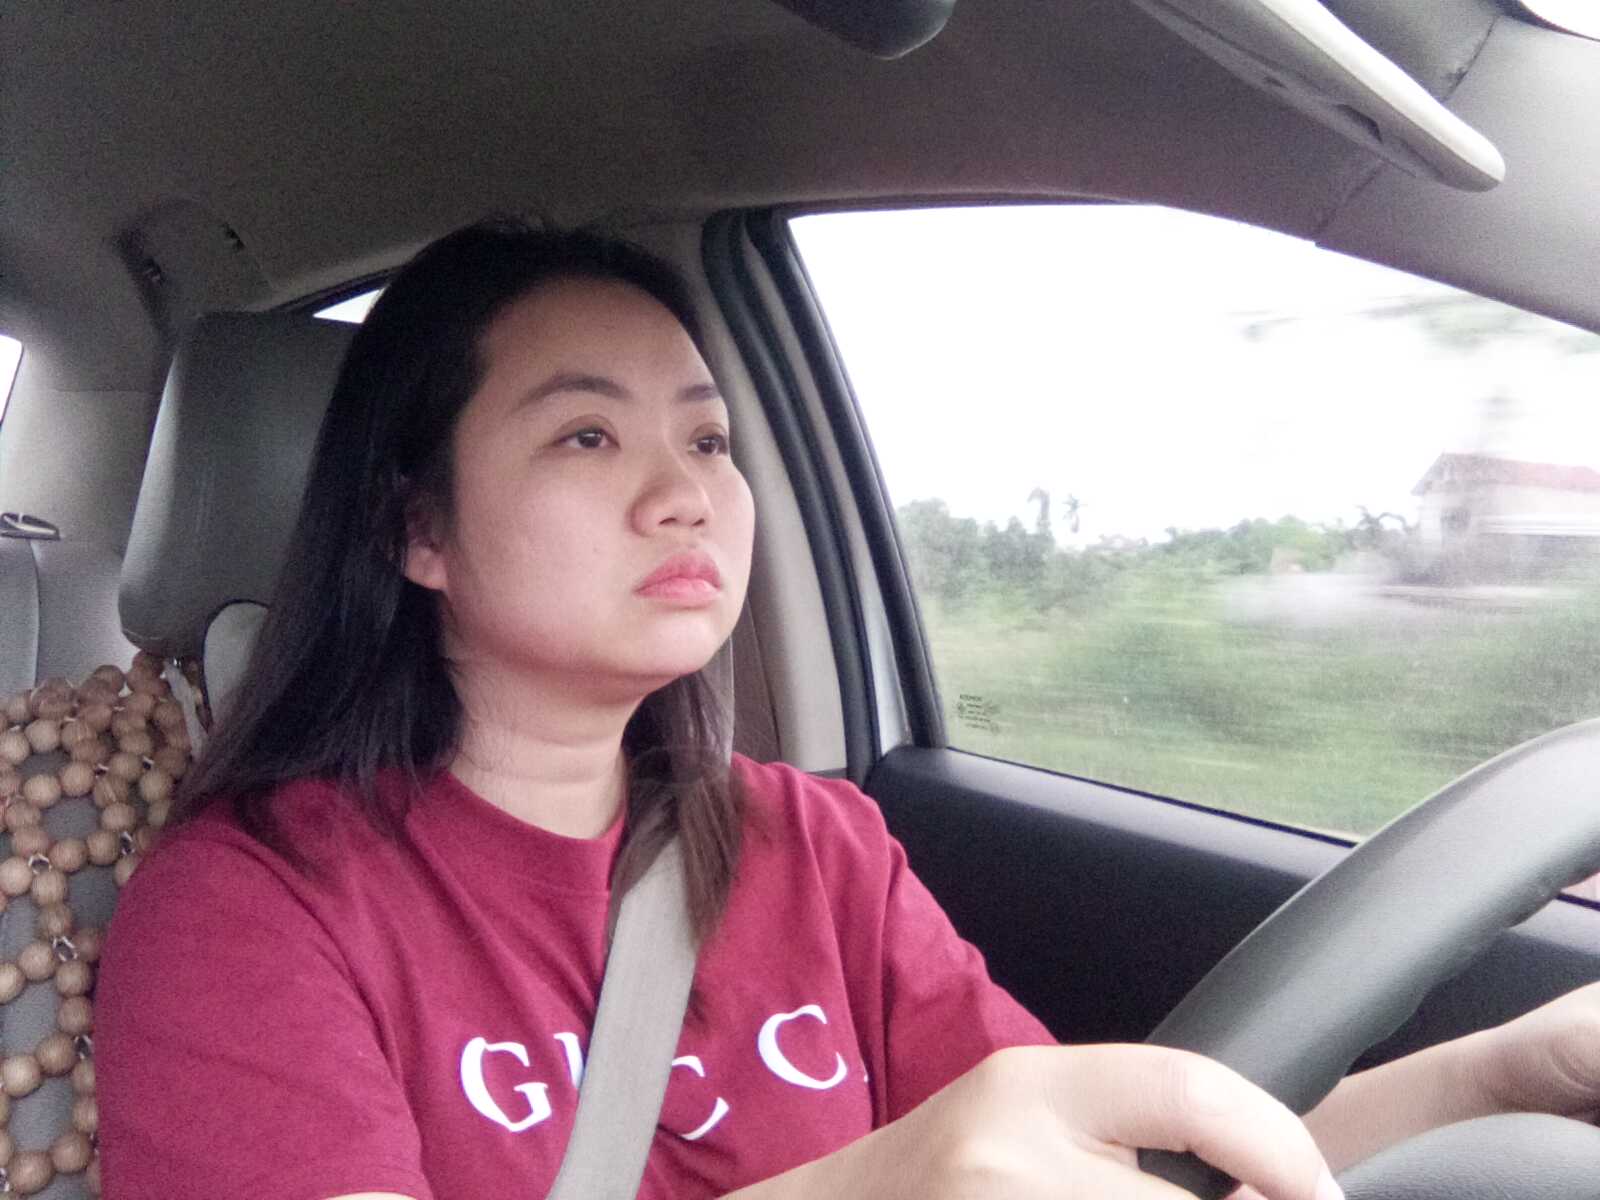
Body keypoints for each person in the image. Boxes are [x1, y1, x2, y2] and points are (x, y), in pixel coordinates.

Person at [96, 219, 1600, 1200]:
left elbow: (1115, 1169)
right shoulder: (249, 907)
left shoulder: (813, 846)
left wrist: (1500, 1075)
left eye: (707, 438)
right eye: (586, 435)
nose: (687, 491)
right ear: (418, 530)